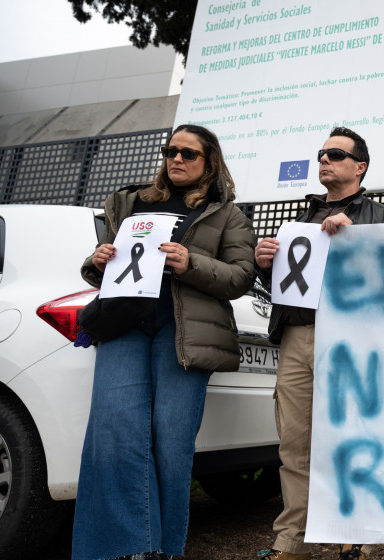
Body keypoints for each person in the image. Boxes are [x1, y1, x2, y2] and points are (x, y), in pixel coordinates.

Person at [72, 124, 257, 560]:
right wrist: (97, 260)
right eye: (170, 150)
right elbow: (104, 266)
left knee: (171, 442)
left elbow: (241, 277)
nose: (176, 158)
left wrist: (191, 263)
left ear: (209, 162)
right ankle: (126, 549)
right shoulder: (130, 202)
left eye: (188, 153)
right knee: (114, 432)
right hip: (124, 321)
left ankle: (165, 550)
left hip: (184, 329)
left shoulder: (227, 214)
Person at [255, 127, 384, 560]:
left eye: (336, 154)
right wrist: (264, 265)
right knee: (294, 444)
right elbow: (286, 285)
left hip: (353, 340)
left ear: (360, 167)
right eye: (321, 153)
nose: (324, 159)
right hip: (298, 336)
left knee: (355, 437)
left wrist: (358, 238)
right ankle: (292, 540)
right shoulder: (299, 219)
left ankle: (355, 536)